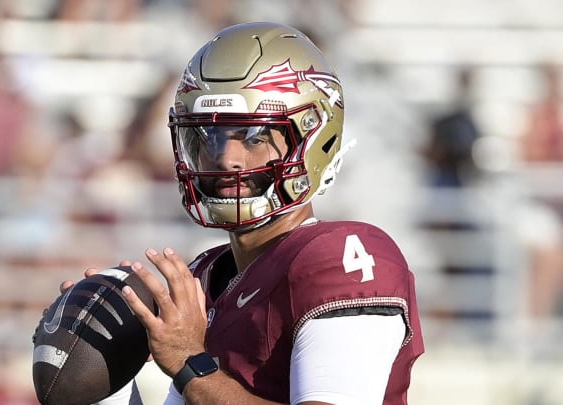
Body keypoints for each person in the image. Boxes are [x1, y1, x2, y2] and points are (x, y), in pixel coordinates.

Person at [62, 22, 424, 404]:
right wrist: (105, 380)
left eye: (255, 136)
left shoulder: (345, 258)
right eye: (209, 137)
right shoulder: (205, 275)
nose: (226, 158)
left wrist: (190, 363)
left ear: (314, 139)